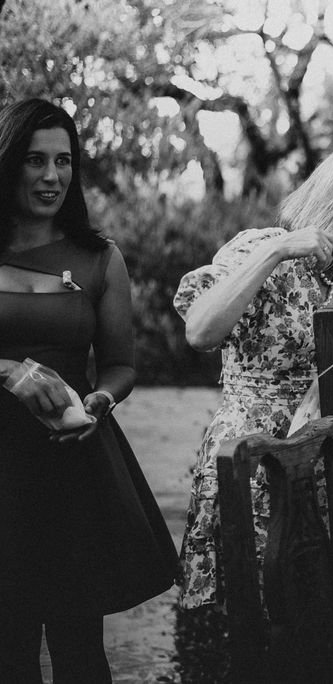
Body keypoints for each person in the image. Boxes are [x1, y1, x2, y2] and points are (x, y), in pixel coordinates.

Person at [174, 134, 333, 609]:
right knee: (255, 612)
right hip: (255, 457)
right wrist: (277, 251)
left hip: (319, 457)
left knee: (311, 613)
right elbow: (200, 332)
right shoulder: (264, 248)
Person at [0, 98, 177, 683]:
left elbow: (121, 366)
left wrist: (101, 400)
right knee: (7, 647)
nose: (51, 176)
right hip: (1, 470)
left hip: (70, 465)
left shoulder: (101, 258)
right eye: (35, 160)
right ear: (8, 163)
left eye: (64, 161)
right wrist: (9, 370)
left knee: (79, 647)